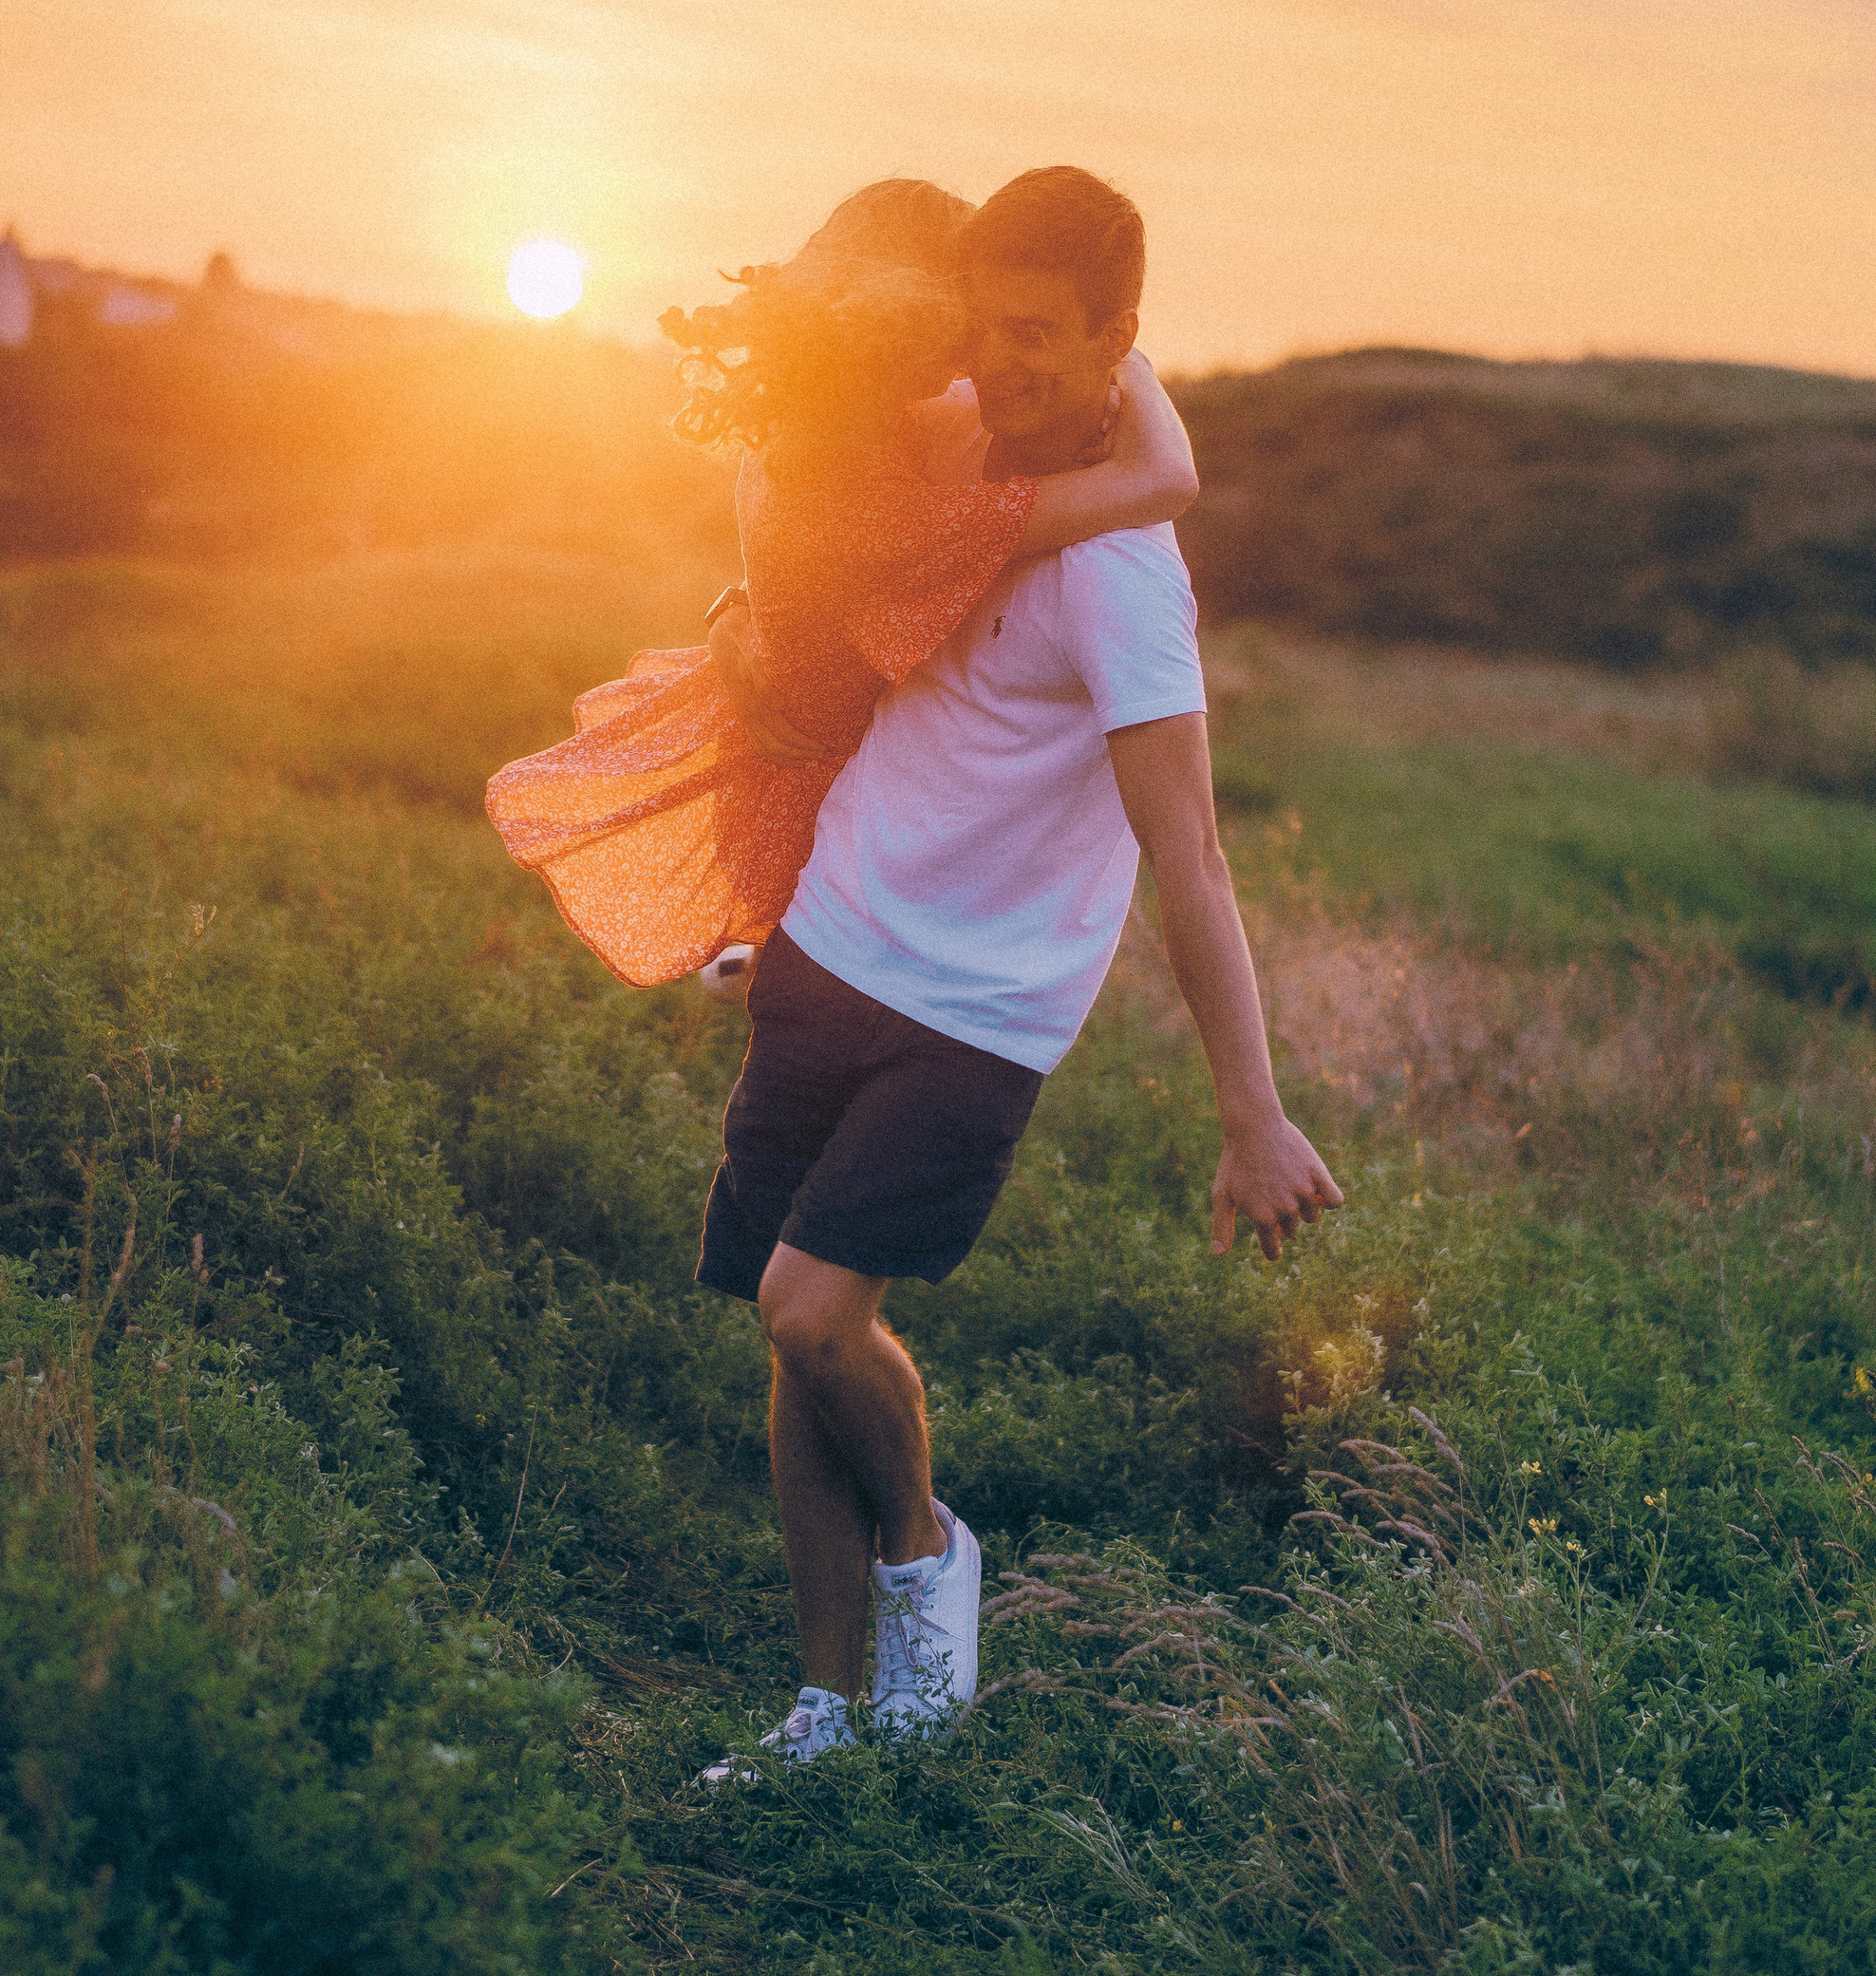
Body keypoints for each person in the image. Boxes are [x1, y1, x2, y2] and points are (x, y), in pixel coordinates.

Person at [697, 164, 1342, 1779]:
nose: (1008, 365)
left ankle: (927, 1552)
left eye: (1049, 338)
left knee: (816, 1308)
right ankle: (828, 1712)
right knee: (793, 1335)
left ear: (1122, 336)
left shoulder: (1128, 581)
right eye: (989, 330)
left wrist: (1251, 1113)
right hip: (835, 934)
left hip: (976, 1009)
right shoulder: (939, 447)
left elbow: (1188, 851)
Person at [484, 179, 1200, 988]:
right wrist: (1124, 358)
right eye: (967, 325)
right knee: (800, 1010)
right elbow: (1163, 479)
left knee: (780, 1029)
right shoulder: (884, 511)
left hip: (802, 761)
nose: (978, 356)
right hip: (818, 804)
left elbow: (818, 572)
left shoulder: (806, 433)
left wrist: (734, 610)